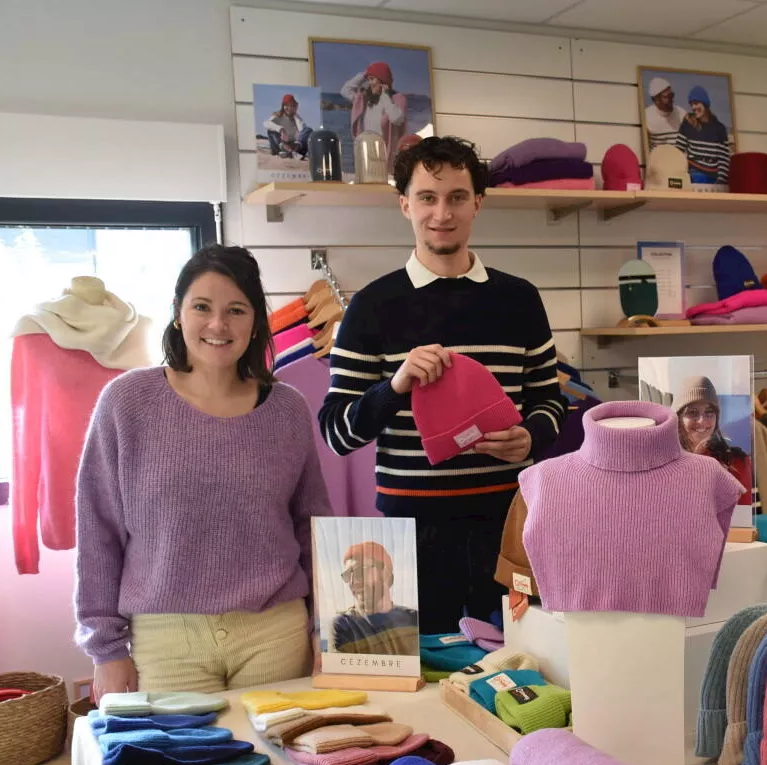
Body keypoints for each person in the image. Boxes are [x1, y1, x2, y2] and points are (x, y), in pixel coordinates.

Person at [319, 136, 566, 634]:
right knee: (421, 680)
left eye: (456, 197)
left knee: (513, 667)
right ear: (404, 204)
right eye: (428, 198)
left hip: (509, 523)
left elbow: (550, 401)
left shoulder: (519, 299)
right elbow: (336, 433)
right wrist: (395, 386)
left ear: (478, 202)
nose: (442, 213)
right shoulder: (371, 306)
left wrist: (532, 437)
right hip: (409, 538)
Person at [75, 245, 332, 702]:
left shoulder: (288, 408)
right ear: (178, 314)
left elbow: (313, 529)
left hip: (276, 631)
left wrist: (326, 628)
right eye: (202, 307)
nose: (218, 325)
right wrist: (105, 648)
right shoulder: (127, 403)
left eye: (236, 310)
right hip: (167, 638)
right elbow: (98, 531)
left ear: (256, 323)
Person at [331, 541, 420, 656]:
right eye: (348, 575)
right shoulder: (343, 625)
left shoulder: (413, 619)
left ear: (385, 574)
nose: (353, 582)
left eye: (360, 571)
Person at [675, 376, 752, 506]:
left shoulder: (737, 463)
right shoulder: (663, 461)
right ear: (678, 418)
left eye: (709, 412)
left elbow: (742, 521)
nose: (702, 421)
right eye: (693, 412)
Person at [342, 61, 407, 171]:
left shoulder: (398, 99)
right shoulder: (365, 99)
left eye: (372, 79)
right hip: (367, 153)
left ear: (383, 81)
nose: (369, 83)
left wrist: (385, 97)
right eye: (368, 80)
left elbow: (397, 119)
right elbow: (345, 90)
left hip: (386, 156)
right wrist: (364, 74)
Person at [678, 85, 731, 186]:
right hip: (695, 174)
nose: (693, 107)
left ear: (705, 104)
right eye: (691, 104)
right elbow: (678, 150)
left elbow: (723, 157)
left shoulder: (719, 128)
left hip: (714, 176)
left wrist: (721, 180)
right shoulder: (687, 123)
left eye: (696, 103)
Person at [263, 93, 311, 159]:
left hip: (295, 145)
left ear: (294, 106)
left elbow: (302, 130)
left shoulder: (297, 118)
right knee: (270, 131)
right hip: (281, 145)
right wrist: (280, 129)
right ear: (283, 106)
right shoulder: (278, 115)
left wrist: (295, 115)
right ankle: (287, 151)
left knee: (308, 130)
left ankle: (293, 151)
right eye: (287, 105)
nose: (289, 108)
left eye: (291, 105)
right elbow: (266, 123)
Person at [643, 76, 683, 151]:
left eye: (672, 95)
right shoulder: (646, 116)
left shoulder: (682, 114)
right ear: (655, 100)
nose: (671, 99)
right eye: (667, 97)